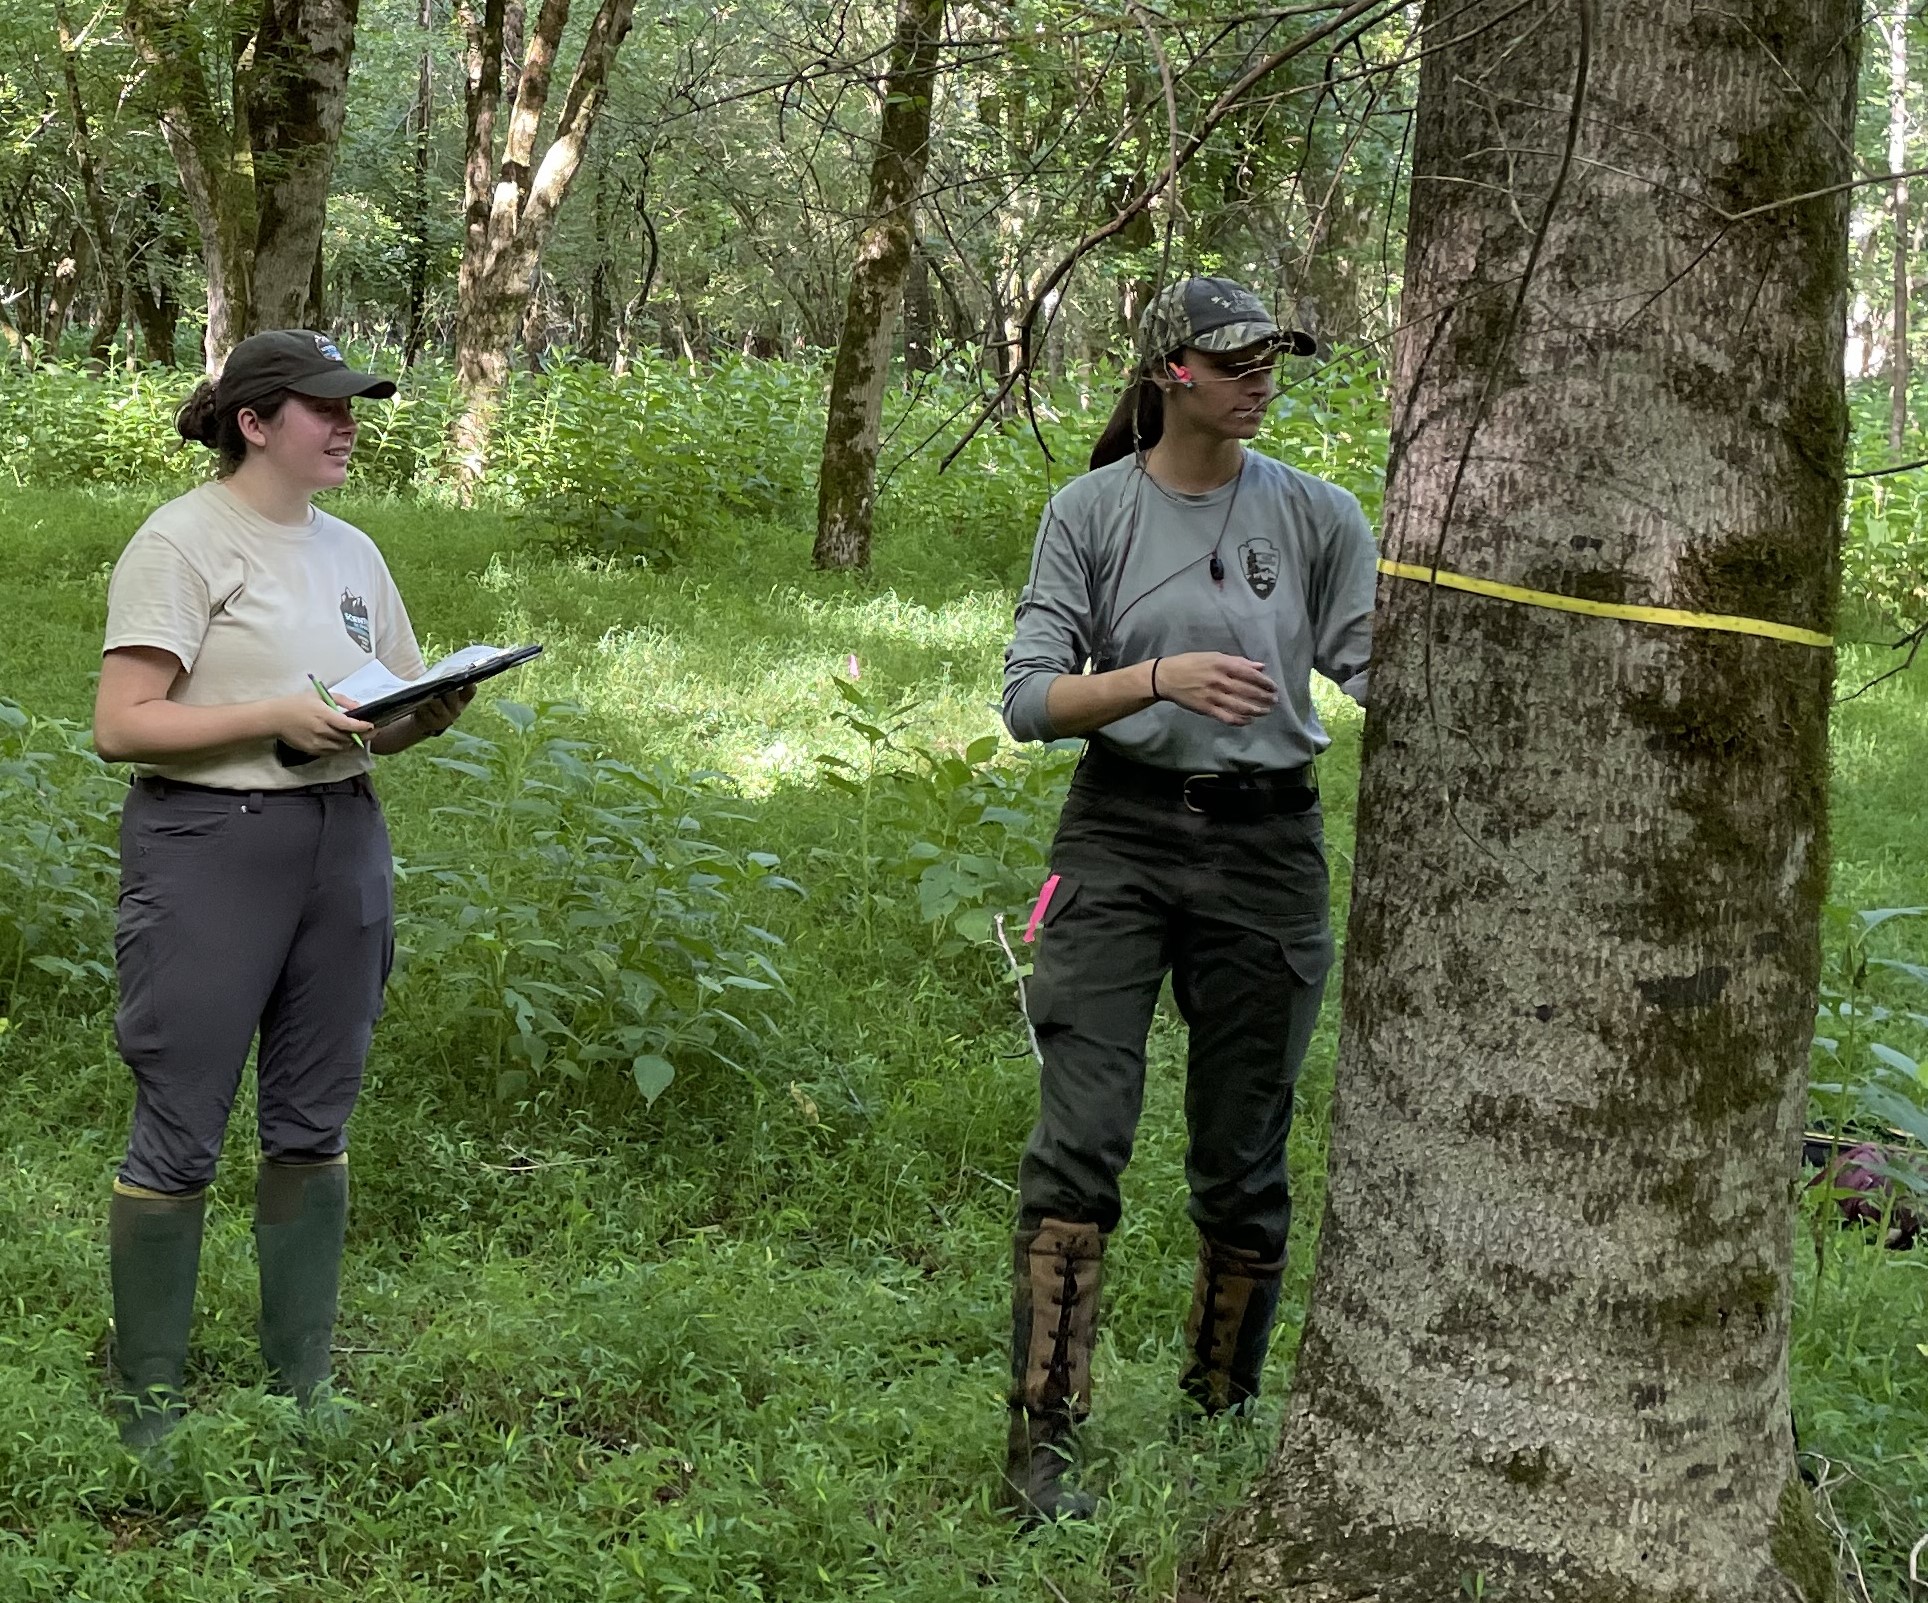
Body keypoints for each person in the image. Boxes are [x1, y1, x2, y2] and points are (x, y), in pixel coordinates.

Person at [997, 279, 1375, 1521]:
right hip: (1117, 836)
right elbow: (1027, 702)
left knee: (1243, 1151)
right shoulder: (1091, 510)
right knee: (1082, 1133)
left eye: (1274, 355)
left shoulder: (1318, 515)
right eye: (1235, 358)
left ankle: (1218, 1420)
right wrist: (1152, 678)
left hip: (1267, 850)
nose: (1261, 375)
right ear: (1171, 373)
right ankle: (1042, 1440)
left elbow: (1383, 665)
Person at [92, 330, 474, 1448]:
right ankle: (147, 1406)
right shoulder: (182, 542)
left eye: (355, 405)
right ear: (255, 422)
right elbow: (124, 724)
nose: (348, 423)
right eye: (325, 407)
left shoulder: (353, 551)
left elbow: (373, 711)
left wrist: (425, 713)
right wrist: (269, 715)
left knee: (315, 1114)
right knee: (182, 1118)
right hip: (211, 843)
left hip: (340, 839)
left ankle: (300, 1380)